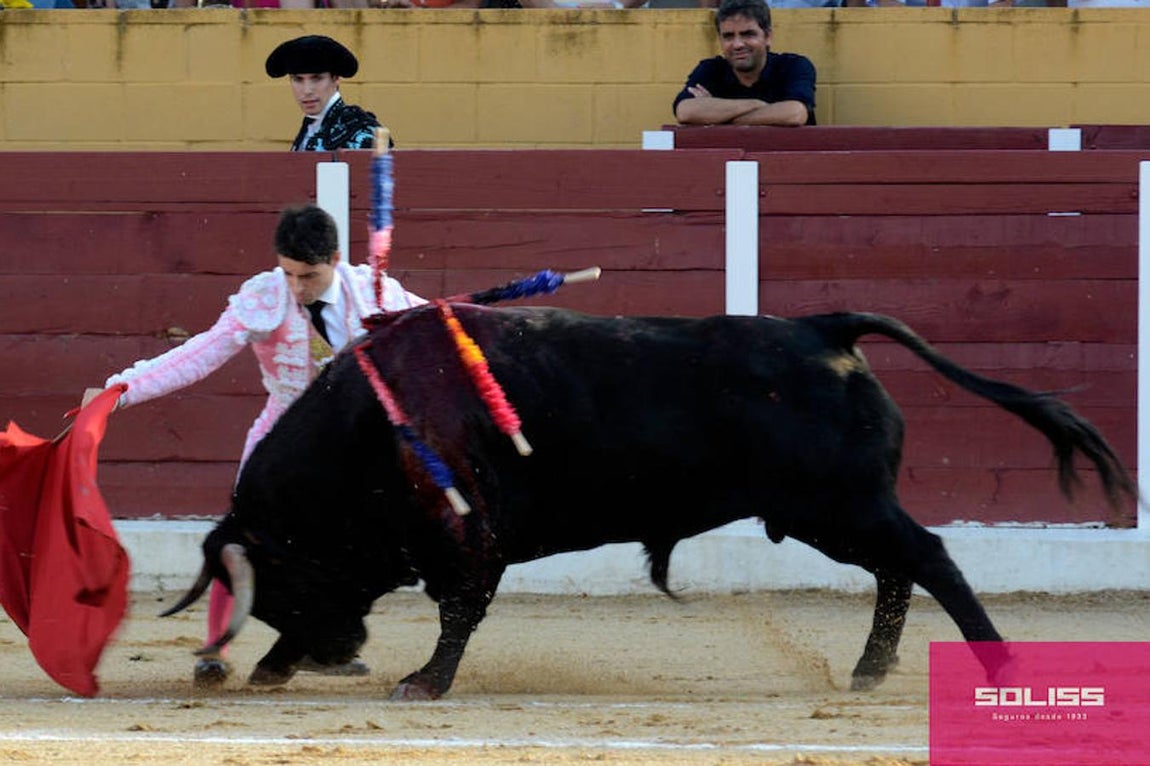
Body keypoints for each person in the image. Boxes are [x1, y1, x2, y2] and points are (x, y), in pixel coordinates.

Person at [84, 204, 425, 688]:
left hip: (350, 446)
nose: (297, 288)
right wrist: (122, 390)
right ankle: (215, 650)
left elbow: (437, 333)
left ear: (335, 258)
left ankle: (314, 643)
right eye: (288, 274)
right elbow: (202, 352)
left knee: (350, 549)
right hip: (281, 437)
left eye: (308, 276)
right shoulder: (264, 297)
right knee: (239, 539)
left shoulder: (375, 294)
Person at [673, 0, 816, 127]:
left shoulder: (794, 66)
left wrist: (717, 117)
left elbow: (795, 114)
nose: (737, 44)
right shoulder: (711, 69)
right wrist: (756, 104)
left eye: (748, 34)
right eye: (728, 36)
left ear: (768, 37)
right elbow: (685, 111)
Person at [264, 35, 384, 152]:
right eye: (298, 79)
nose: (307, 90)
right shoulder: (311, 125)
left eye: (317, 78)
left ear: (336, 78)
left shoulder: (361, 132)